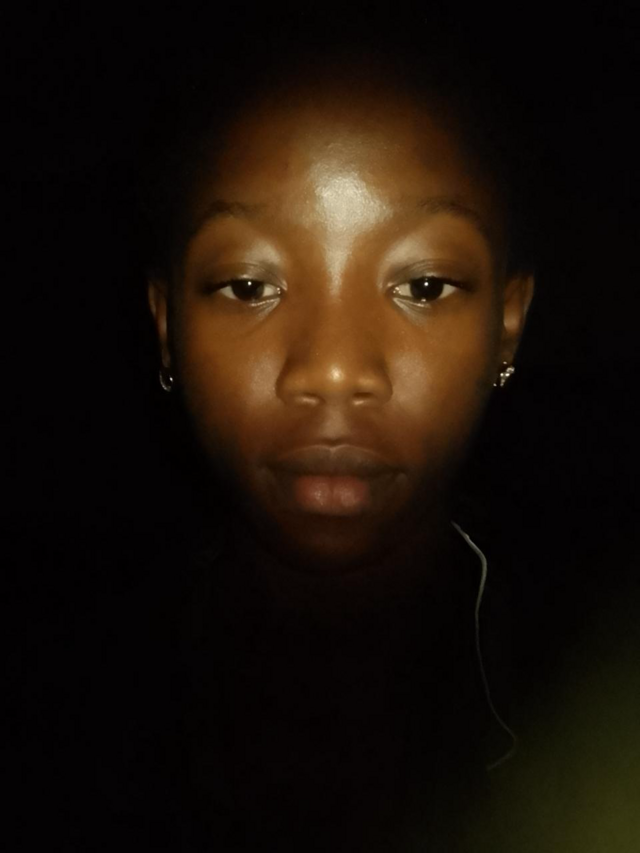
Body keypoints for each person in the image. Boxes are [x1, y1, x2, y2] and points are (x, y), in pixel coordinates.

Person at [125, 20, 538, 852]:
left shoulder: (596, 670)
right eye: (250, 285)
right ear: (166, 326)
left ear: (508, 323)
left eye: (425, 285)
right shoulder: (56, 689)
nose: (335, 368)